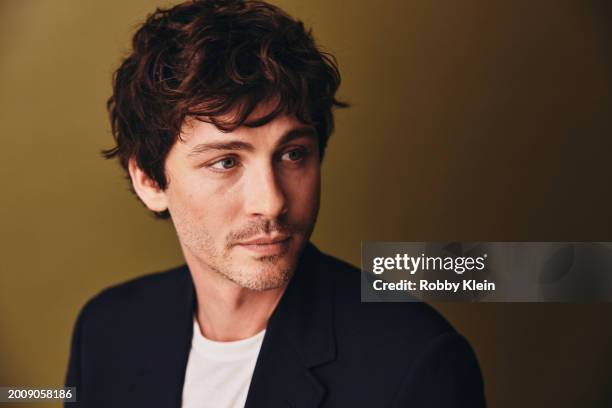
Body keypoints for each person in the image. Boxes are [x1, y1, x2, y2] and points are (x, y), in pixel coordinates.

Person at [65, 0, 486, 406]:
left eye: (293, 154)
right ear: (149, 180)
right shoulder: (105, 331)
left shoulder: (417, 362)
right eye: (226, 161)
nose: (272, 202)